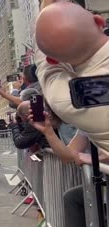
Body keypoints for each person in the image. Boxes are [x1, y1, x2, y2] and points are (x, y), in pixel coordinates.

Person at [35, 1, 109, 156]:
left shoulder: (68, 97)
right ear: (100, 21)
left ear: (53, 60)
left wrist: (45, 9)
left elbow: (46, 67)